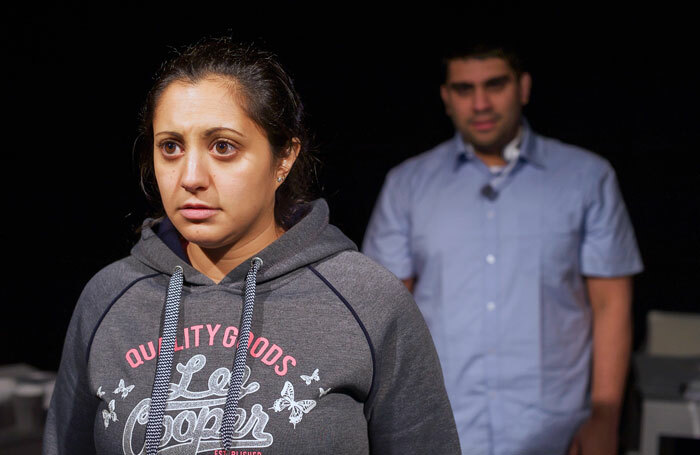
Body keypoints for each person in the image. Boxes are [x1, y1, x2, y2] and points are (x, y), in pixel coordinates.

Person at [43, 38, 461, 454]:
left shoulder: (367, 300)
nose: (191, 176)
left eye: (222, 147)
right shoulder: (108, 298)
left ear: (284, 159)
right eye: (170, 147)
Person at [363, 43, 643, 455]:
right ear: (446, 98)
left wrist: (606, 416)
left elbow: (611, 304)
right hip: (440, 424)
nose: (480, 103)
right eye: (464, 89)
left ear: (523, 87)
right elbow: (384, 311)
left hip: (555, 429)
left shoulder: (586, 178)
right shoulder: (407, 185)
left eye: (495, 85)